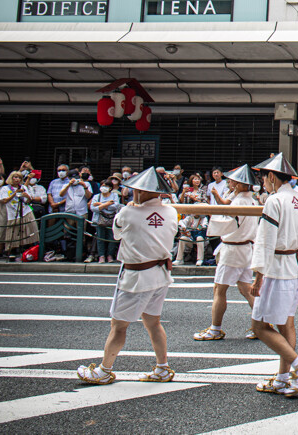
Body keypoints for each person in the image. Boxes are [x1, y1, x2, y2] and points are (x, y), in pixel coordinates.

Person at [76, 168, 178, 385]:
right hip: (160, 275)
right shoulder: (170, 211)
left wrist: (132, 208)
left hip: (136, 276)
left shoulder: (128, 212)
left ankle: (104, 370)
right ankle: (162, 367)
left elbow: (117, 233)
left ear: (140, 191)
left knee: (119, 325)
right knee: (153, 322)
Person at [250, 153, 298, 398]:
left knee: (259, 326)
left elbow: (265, 239)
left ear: (271, 177)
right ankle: (283, 378)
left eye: (264, 179)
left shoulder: (275, 200)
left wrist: (258, 275)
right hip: (295, 264)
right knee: (286, 322)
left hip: (277, 267)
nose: (264, 184)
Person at [195, 164, 260, 342]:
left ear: (239, 184)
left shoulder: (239, 201)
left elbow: (223, 222)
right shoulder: (251, 199)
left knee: (220, 289)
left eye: (232, 181)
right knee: (246, 289)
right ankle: (260, 325)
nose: (229, 183)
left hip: (233, 248)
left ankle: (215, 329)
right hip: (246, 248)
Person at [0, 171, 38, 259]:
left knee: (29, 230)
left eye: (19, 178)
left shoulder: (23, 187)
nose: (17, 179)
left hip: (25, 211)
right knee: (13, 232)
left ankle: (27, 250)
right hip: (12, 212)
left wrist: (26, 196)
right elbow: (4, 200)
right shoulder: (5, 188)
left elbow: (28, 201)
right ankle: (11, 251)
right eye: (15, 177)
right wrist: (15, 193)